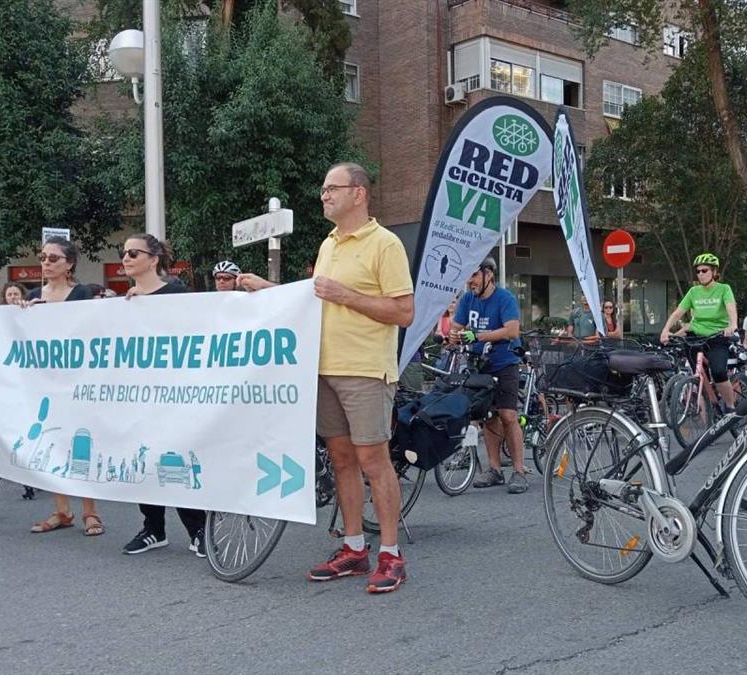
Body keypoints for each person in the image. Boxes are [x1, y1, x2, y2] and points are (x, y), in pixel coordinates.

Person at [237, 162, 414, 593]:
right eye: (322, 189)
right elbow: (313, 296)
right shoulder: (329, 243)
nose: (323, 195)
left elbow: (403, 311)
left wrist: (346, 295)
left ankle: (390, 554)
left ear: (359, 193)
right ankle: (354, 548)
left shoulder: (385, 244)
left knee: (374, 461)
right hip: (322, 366)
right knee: (341, 461)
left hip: (365, 369)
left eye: (331, 188)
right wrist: (267, 290)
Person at [117, 233, 207, 557]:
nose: (126, 257)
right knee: (142, 456)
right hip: (138, 394)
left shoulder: (176, 294)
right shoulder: (125, 301)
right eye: (123, 252)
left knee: (175, 458)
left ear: (153, 259)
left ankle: (197, 529)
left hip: (172, 392)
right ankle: (153, 528)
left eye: (133, 252)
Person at [20, 237, 103, 537]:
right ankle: (62, 510)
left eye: (54, 258)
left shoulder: (80, 293)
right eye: (43, 257)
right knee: (51, 443)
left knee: (80, 444)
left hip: (76, 381)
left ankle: (90, 512)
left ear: (69, 264)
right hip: (45, 381)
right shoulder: (32, 295)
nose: (46, 262)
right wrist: (22, 314)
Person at [451, 257, 527, 493]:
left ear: (489, 275)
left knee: (508, 415)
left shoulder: (504, 298)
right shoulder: (467, 300)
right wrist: (454, 336)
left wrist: (480, 336)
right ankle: (494, 469)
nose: (470, 281)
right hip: (479, 365)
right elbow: (456, 327)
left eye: (474, 275)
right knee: (488, 416)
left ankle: (519, 471)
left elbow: (512, 330)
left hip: (504, 362)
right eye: (469, 277)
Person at [660, 253, 739, 408]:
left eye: (705, 270)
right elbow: (678, 313)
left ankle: (730, 407)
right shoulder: (694, 291)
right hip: (695, 337)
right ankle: (710, 406)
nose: (701, 274)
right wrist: (665, 330)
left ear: (714, 272)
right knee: (697, 375)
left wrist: (733, 324)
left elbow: (731, 307)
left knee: (718, 373)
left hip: (717, 336)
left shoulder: (724, 288)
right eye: (698, 271)